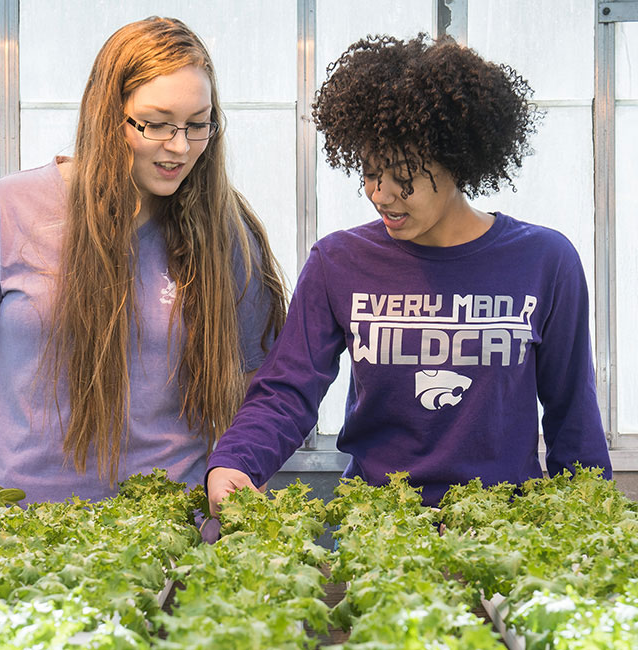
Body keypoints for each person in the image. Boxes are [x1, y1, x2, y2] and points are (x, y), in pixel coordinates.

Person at [206, 34, 612, 515]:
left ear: (459, 162)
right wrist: (234, 463)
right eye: (370, 172)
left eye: (404, 177)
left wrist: (588, 521)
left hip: (506, 530)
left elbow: (572, 413)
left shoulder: (545, 261)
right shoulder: (338, 262)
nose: (381, 194)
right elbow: (287, 391)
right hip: (380, 530)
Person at [0, 17, 287, 503]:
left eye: (197, 125)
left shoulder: (228, 234)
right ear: (107, 115)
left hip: (163, 535)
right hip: (11, 535)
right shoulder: (5, 211)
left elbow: (255, 393)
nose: (179, 147)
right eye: (155, 124)